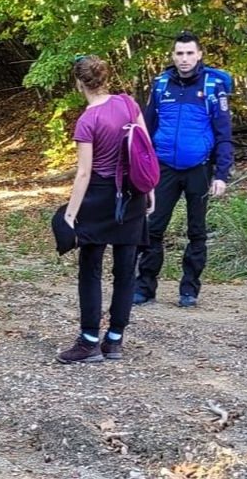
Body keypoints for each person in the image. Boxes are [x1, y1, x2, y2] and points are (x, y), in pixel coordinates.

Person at [57, 56, 152, 363]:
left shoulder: (87, 120)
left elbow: (84, 173)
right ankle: (114, 340)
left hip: (99, 196)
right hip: (133, 194)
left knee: (91, 269)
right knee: (125, 270)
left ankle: (88, 342)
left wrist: (70, 214)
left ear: (78, 83)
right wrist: (149, 191)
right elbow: (145, 151)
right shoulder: (128, 104)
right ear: (105, 78)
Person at [134, 31, 234, 308]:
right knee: (152, 228)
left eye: (190, 53)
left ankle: (189, 290)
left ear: (199, 55)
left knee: (197, 231)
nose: (184, 58)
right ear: (173, 56)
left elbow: (224, 133)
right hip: (163, 167)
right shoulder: (161, 84)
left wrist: (222, 174)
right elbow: (146, 128)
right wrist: (141, 165)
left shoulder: (214, 86)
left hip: (199, 169)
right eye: (179, 53)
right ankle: (144, 288)